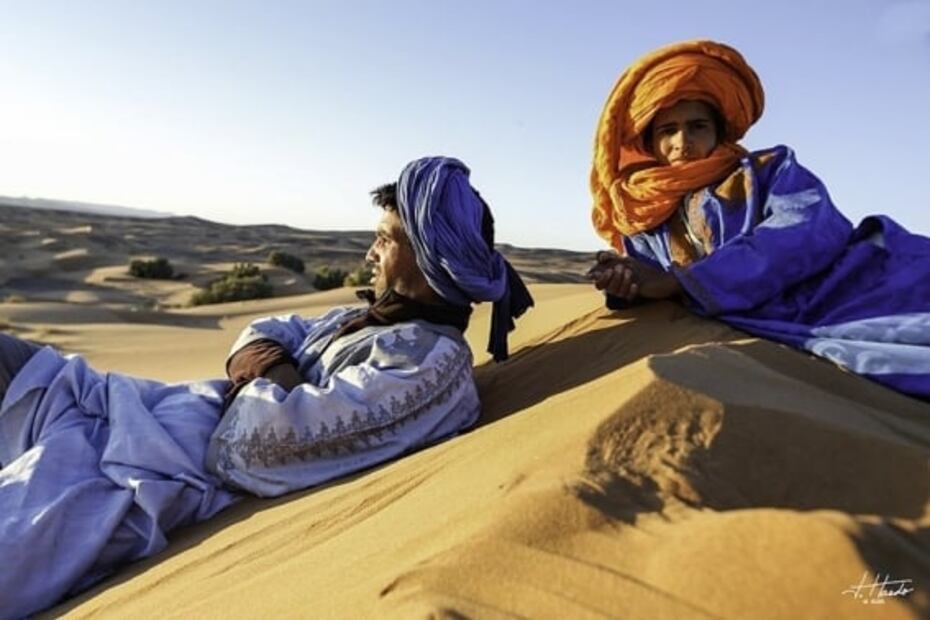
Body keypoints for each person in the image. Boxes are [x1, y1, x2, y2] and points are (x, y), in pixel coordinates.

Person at [0, 156, 533, 618]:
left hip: (141, 479)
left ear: (430, 259)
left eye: (384, 239)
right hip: (120, 407)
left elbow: (254, 446)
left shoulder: (429, 367)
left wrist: (269, 385)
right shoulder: (367, 317)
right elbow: (263, 332)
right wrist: (280, 377)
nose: (371, 253)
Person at [587, 40, 930, 399]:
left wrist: (685, 282)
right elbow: (651, 280)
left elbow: (804, 231)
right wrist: (625, 282)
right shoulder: (645, 213)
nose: (681, 141)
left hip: (846, 286)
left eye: (697, 126)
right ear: (649, 141)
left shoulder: (769, 169)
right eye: (666, 130)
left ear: (719, 130)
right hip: (757, 326)